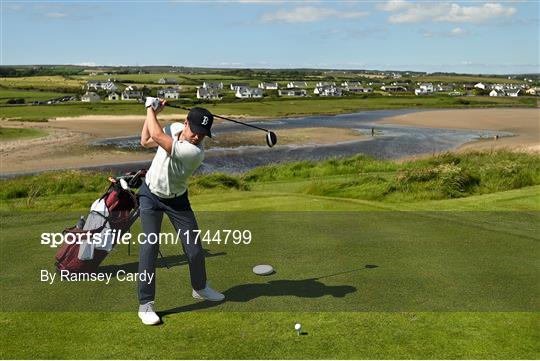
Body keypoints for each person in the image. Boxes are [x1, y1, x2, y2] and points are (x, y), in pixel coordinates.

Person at [137, 97, 224, 325]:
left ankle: (200, 287)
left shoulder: (195, 153)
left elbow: (156, 136)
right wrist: (153, 113)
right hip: (150, 195)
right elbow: (146, 139)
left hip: (177, 201)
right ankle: (146, 305)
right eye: (195, 130)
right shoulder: (173, 128)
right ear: (185, 123)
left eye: (203, 134)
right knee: (150, 247)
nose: (198, 136)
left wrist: (150, 108)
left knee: (194, 249)